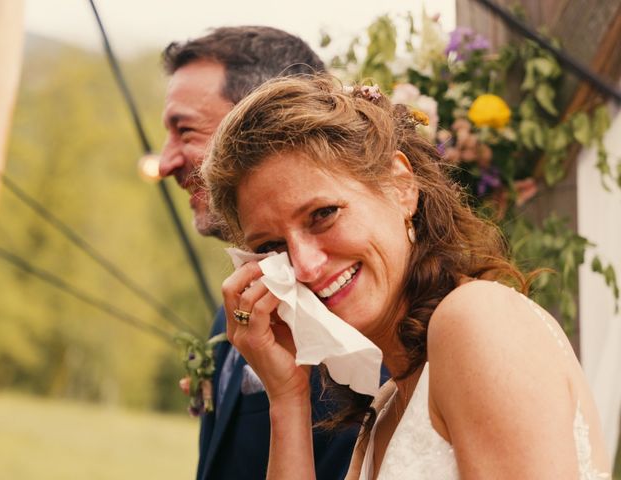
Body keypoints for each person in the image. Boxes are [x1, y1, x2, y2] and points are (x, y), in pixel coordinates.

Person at [202, 75, 612, 479]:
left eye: (323, 215)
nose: (305, 266)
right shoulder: (385, 408)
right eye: (273, 247)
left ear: (400, 185)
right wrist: (288, 397)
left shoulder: (477, 320)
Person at [158, 27, 358, 480]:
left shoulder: (360, 308)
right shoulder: (236, 308)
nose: (166, 161)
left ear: (265, 121)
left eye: (185, 131)